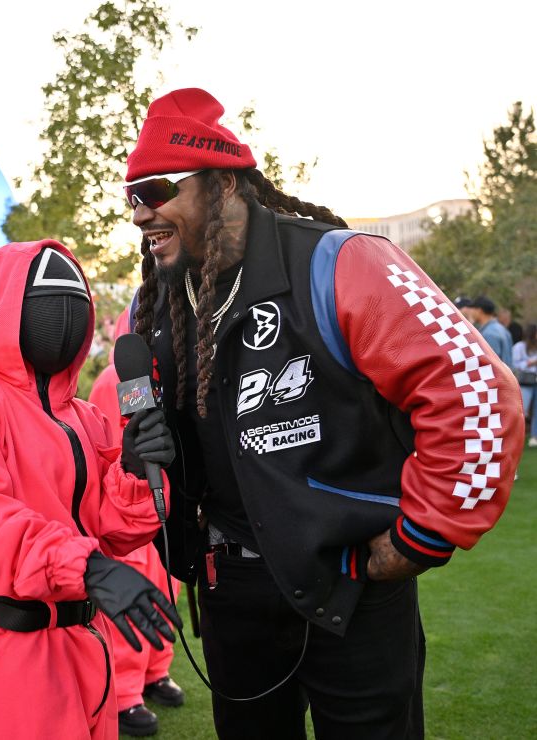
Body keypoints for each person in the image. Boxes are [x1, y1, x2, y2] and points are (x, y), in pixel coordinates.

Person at [124, 88, 524, 739]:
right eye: (132, 197)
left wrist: (417, 539)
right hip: (235, 599)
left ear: (223, 183)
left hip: (354, 587)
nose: (142, 211)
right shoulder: (158, 306)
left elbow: (479, 397)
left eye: (159, 189)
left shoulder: (340, 263)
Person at [0, 240, 181, 739]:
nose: (63, 320)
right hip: (0, 649)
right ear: (0, 309)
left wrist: (139, 473)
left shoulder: (81, 415)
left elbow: (112, 527)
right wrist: (90, 567)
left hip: (81, 640)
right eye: (45, 306)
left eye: (74, 304)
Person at [87, 308, 184, 737]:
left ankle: (155, 672)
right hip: (130, 506)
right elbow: (127, 441)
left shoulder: (172, 374)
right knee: (135, 596)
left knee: (167, 589)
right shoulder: (120, 381)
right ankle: (126, 693)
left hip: (164, 506)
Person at [512, 323, 537, 447]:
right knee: (522, 410)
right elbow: (516, 365)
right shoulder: (519, 347)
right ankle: (516, 436)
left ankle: (534, 436)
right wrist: (530, 363)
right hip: (525, 382)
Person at [470, 296, 514, 364]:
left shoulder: (489, 334)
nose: (471, 312)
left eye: (473, 309)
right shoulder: (503, 329)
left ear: (479, 311)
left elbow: (492, 364)